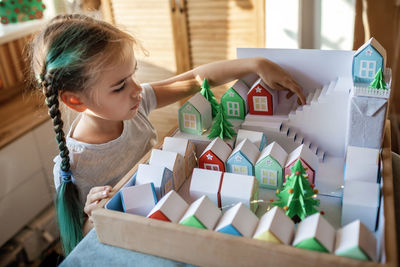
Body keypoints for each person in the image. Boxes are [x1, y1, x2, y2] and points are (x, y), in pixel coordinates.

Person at [28, 14, 305, 255]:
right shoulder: (76, 166)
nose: (137, 88)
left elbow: (195, 79)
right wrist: (93, 214)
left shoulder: (133, 105)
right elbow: (85, 237)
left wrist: (255, 64)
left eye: (133, 75)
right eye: (120, 85)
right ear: (75, 101)